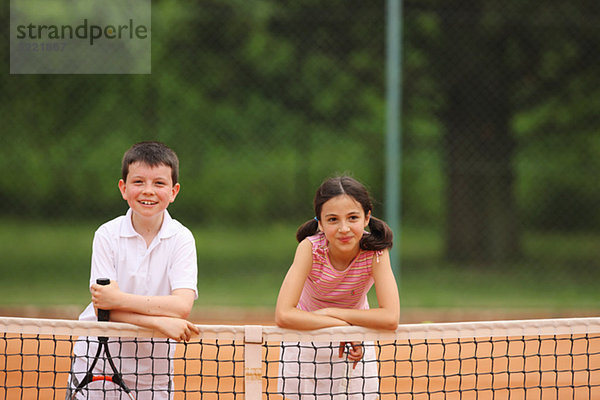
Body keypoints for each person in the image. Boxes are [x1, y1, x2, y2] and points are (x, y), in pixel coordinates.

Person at [67, 141, 200, 400]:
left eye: (159, 184)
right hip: (97, 363)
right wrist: (159, 322)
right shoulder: (106, 234)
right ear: (123, 188)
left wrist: (119, 300)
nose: (148, 191)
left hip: (155, 374)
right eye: (138, 182)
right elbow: (103, 310)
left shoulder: (182, 238)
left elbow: (182, 307)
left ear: (174, 191)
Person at [275, 175, 400, 400]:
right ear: (320, 223)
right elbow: (284, 315)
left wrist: (337, 318)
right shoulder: (309, 248)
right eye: (333, 220)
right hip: (305, 339)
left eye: (353, 217)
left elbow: (391, 317)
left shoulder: (377, 253)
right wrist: (345, 326)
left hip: (355, 344)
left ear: (366, 217)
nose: (344, 228)